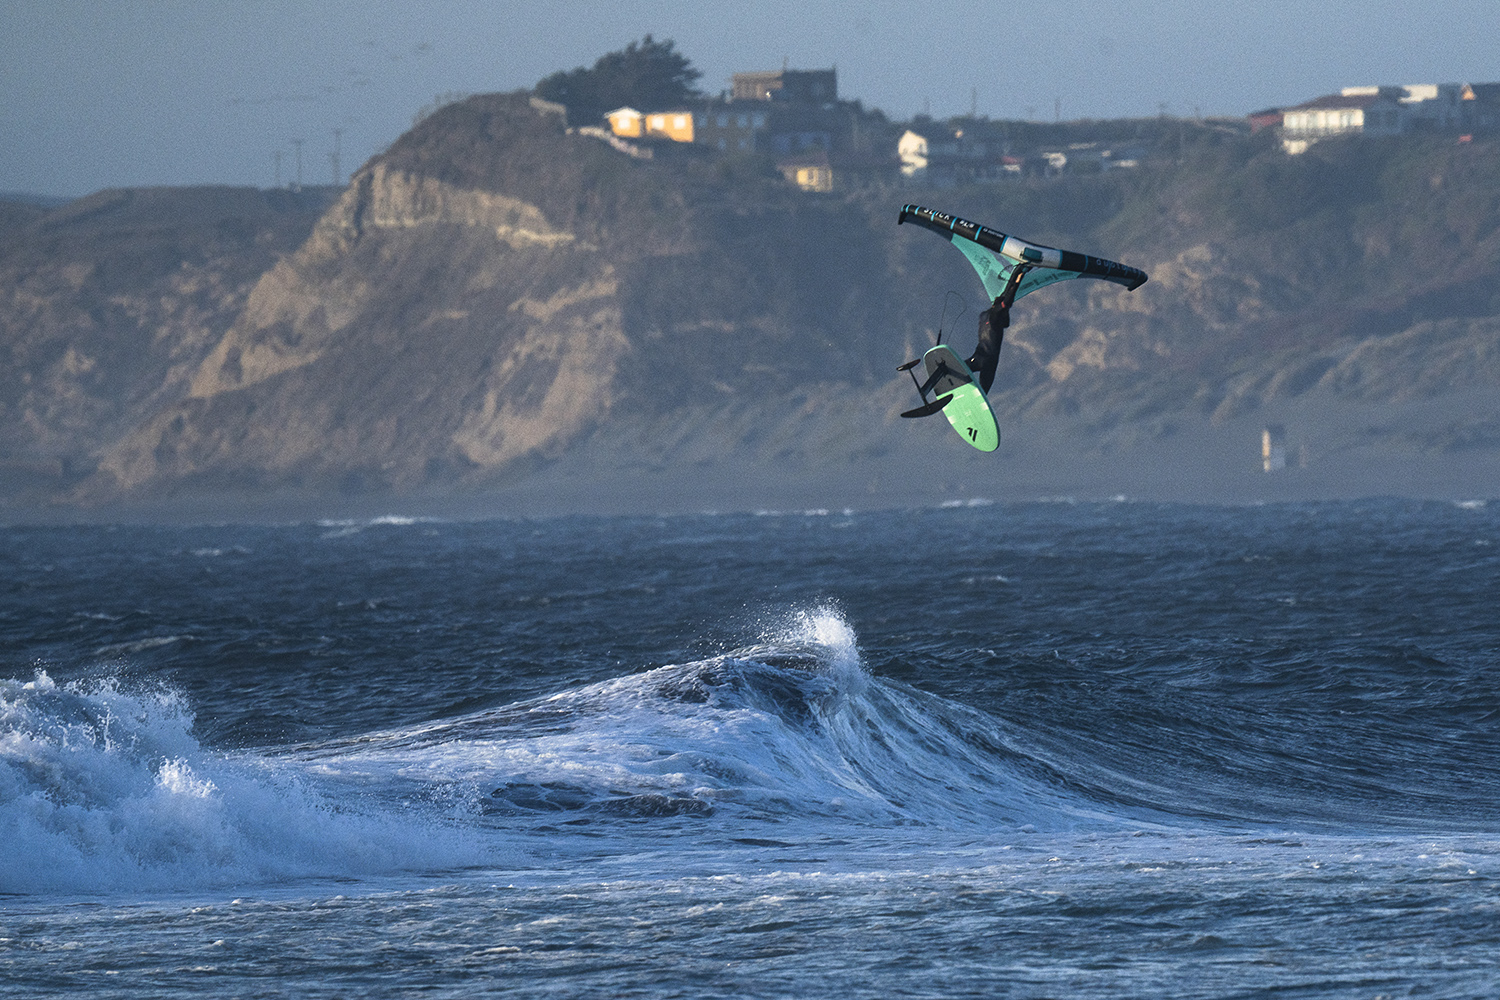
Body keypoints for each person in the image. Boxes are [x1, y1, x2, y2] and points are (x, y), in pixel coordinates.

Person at [965, 295, 1010, 394]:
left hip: (977, 356)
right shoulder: (995, 316)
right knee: (983, 392)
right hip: (989, 362)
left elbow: (1005, 322)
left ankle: (941, 371)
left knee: (960, 368)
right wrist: (1006, 307)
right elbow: (1006, 322)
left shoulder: (983, 315)